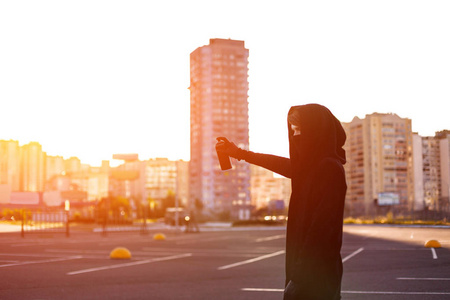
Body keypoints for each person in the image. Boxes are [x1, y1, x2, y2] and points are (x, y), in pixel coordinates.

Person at [215, 104, 347, 299]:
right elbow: (276, 163)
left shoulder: (329, 168)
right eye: (293, 131)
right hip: (302, 270)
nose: (295, 136)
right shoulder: (308, 167)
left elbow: (321, 229)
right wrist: (239, 153)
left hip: (317, 274)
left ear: (317, 131)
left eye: (300, 130)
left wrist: (301, 276)